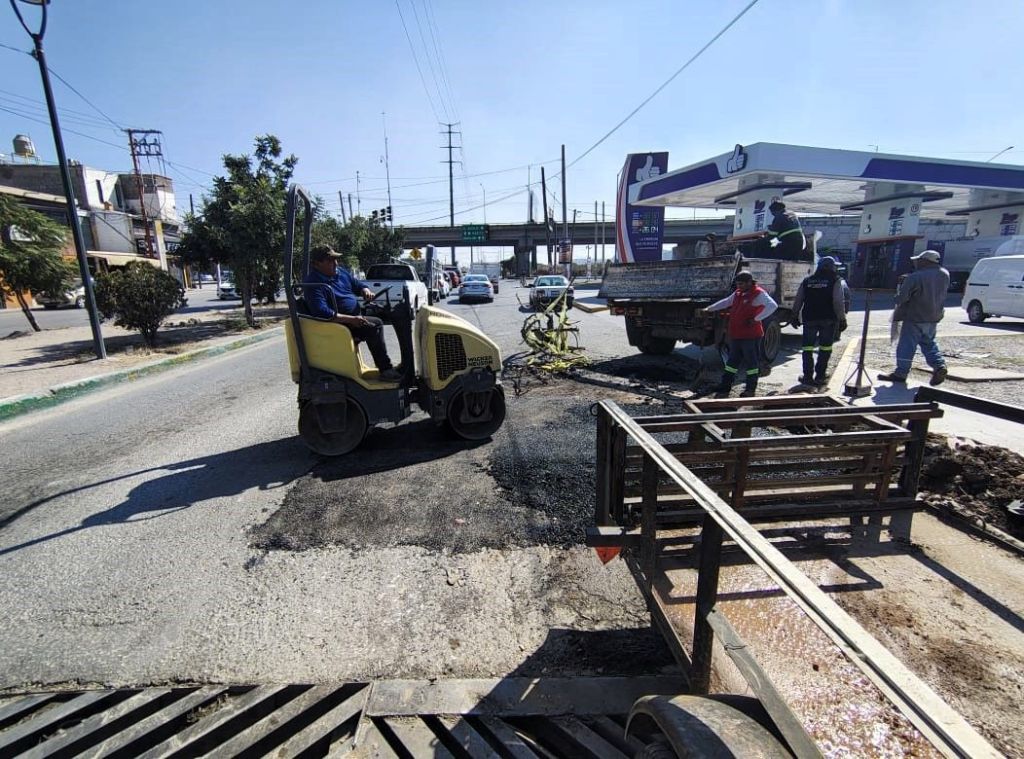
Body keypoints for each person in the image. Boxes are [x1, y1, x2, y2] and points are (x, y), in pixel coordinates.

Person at [303, 245, 401, 381]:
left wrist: (365, 290)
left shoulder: (340, 273)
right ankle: (386, 369)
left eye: (335, 259)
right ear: (316, 264)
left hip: (352, 321)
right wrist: (351, 319)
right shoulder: (314, 284)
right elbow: (322, 312)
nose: (335, 263)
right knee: (375, 325)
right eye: (330, 260)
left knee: (376, 320)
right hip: (339, 325)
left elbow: (358, 285)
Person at [877, 249, 949, 385]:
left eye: (919, 260)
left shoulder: (916, 276)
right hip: (933, 316)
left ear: (925, 261)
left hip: (915, 316)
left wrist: (898, 294)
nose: (916, 263)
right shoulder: (945, 274)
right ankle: (939, 365)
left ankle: (901, 373)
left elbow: (902, 298)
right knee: (928, 343)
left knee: (906, 346)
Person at [704, 271, 778, 398]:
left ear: (750, 282)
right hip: (737, 334)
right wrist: (709, 309)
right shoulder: (738, 293)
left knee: (752, 364)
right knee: (732, 363)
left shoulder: (758, 293)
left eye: (742, 284)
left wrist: (756, 319)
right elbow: (726, 302)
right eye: (738, 284)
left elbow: (773, 306)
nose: (739, 286)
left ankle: (750, 389)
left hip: (751, 336)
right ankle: (725, 386)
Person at [791, 256, 850, 387]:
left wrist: (794, 316)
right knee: (825, 348)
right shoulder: (835, 280)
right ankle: (820, 376)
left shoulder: (808, 281)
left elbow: (798, 299)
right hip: (828, 320)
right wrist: (842, 319)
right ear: (831, 267)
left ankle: (807, 377)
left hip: (809, 319)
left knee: (807, 348)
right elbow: (838, 302)